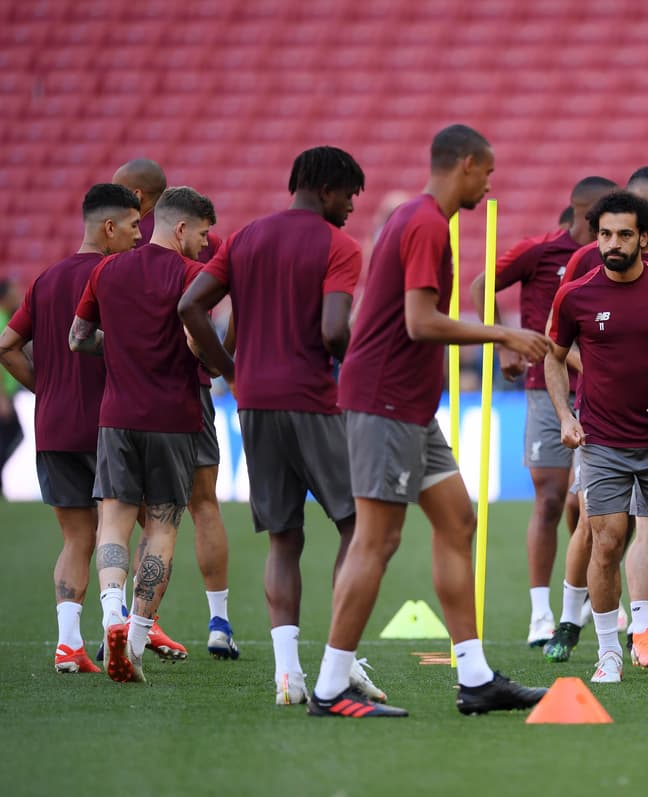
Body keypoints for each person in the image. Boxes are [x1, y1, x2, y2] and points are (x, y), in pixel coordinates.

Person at [308, 125, 551, 718]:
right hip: (385, 404)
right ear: (465, 165)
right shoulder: (423, 223)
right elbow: (421, 321)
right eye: (486, 173)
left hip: (410, 408)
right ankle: (329, 687)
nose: (488, 185)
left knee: (457, 519)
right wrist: (502, 332)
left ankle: (475, 677)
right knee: (378, 540)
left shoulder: (419, 220)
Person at [179, 146, 386, 706]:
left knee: (283, 537)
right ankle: (340, 660)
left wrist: (230, 371)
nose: (350, 207)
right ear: (324, 188)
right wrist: (360, 362)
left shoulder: (245, 238)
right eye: (348, 195)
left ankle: (288, 673)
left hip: (255, 404)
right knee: (358, 524)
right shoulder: (338, 245)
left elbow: (191, 305)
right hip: (314, 400)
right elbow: (333, 330)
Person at [545, 190, 648, 683]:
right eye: (604, 235)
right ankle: (609, 652)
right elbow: (553, 357)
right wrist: (565, 416)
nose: (611, 244)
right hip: (602, 442)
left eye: (622, 234)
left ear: (644, 237)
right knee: (607, 544)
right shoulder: (575, 294)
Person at [71, 186, 219, 683]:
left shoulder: (105, 270)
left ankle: (111, 615)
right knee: (161, 528)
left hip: (116, 417)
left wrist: (120, 351)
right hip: (174, 419)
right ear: (181, 229)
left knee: (112, 524)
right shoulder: (191, 275)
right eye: (201, 233)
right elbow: (198, 341)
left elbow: (77, 338)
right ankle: (133, 642)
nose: (204, 243)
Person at [468, 175, 616, 648]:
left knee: (592, 505)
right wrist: (503, 344)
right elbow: (479, 284)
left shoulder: (614, 258)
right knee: (550, 499)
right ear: (585, 212)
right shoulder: (539, 252)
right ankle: (540, 615)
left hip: (604, 393)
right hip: (545, 391)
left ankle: (591, 593)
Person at [0, 184, 141, 673]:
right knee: (119, 530)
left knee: (75, 539)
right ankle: (116, 625)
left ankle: (67, 645)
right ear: (109, 227)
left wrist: (50, 389)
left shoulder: (46, 280)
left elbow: (6, 345)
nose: (136, 235)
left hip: (55, 427)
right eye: (132, 225)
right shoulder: (116, 276)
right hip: (110, 426)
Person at [114, 158, 232, 660]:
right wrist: (227, 359)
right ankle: (214, 621)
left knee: (123, 513)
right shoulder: (195, 247)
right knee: (194, 506)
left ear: (141, 197)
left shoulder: (115, 244)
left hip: (120, 401)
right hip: (185, 395)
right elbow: (236, 283)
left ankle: (122, 621)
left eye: (120, 193)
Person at [0, 279, 23, 493]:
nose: (19, 295)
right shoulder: (1, 320)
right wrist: (2, 399)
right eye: (15, 292)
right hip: (3, 397)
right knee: (13, 433)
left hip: (8, 394)